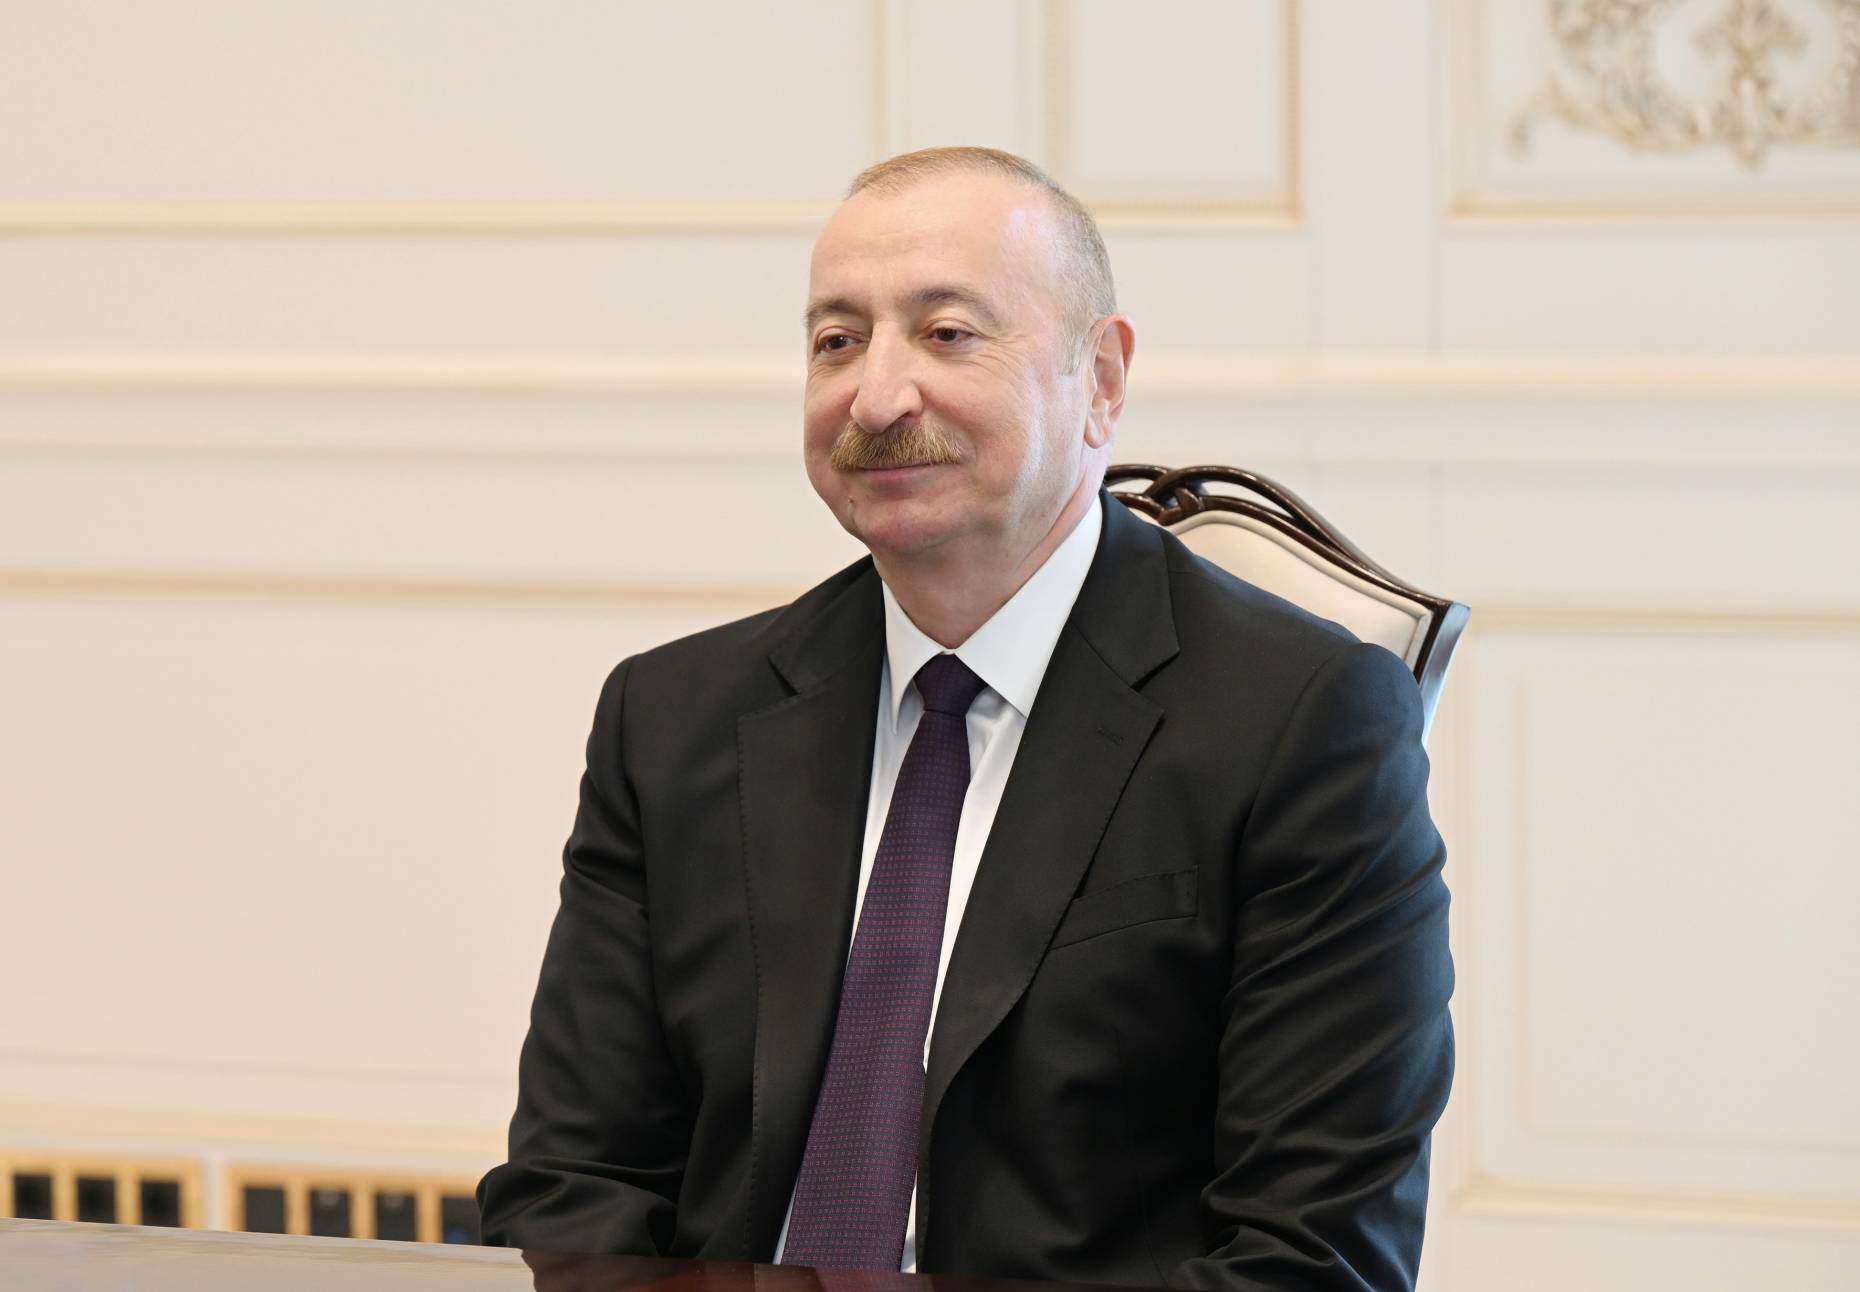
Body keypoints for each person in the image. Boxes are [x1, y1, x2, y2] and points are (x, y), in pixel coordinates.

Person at [477, 146, 1454, 1292]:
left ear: (1101, 380)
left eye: (946, 333)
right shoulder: (672, 718)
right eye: (837, 340)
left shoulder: (1304, 723)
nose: (877, 396)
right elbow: (574, 1186)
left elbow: (1315, 1259)